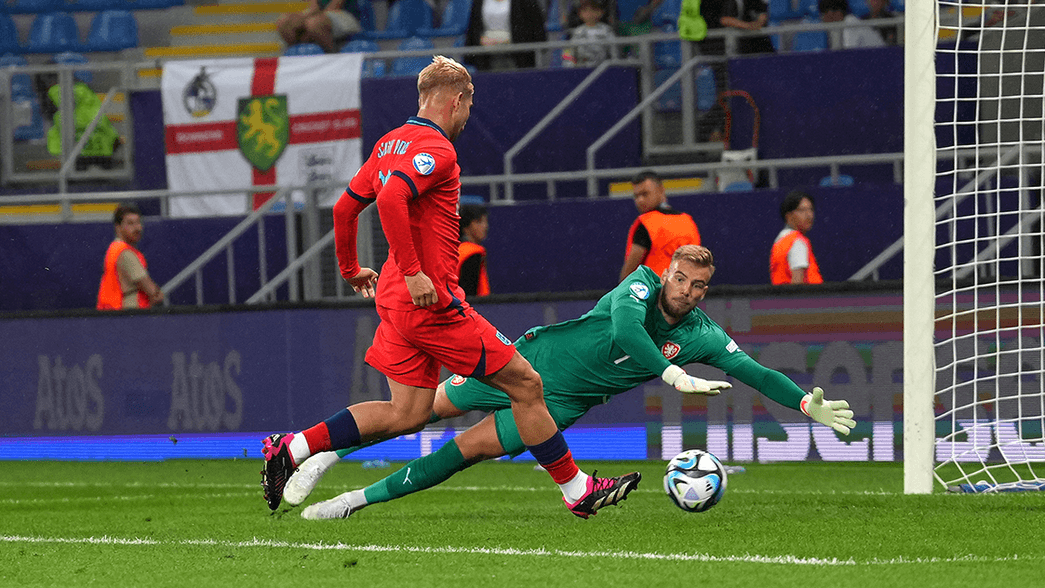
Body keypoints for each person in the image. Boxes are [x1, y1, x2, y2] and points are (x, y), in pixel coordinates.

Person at [261, 55, 638, 519]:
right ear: (457, 101)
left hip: (395, 299)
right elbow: (394, 199)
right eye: (469, 107)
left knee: (408, 413)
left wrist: (350, 269)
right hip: (428, 301)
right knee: (526, 383)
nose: (466, 118)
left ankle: (294, 446)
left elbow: (344, 210)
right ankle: (577, 489)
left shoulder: (388, 144)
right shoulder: (437, 150)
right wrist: (417, 270)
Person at [284, 245, 856, 520]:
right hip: (525, 364)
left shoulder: (704, 333)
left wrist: (805, 401)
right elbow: (631, 333)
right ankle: (325, 454)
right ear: (668, 273)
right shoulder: (638, 286)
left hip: (558, 404)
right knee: (419, 410)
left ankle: (351, 503)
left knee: (465, 451)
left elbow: (753, 371)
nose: (684, 289)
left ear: (706, 290)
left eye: (697, 285)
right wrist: (670, 372)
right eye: (680, 278)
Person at [619, 170, 701, 282]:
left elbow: (630, 268)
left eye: (645, 194)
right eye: (636, 196)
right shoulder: (687, 221)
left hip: (653, 292)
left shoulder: (647, 224)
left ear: (661, 190)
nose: (640, 200)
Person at [96, 203, 163, 310]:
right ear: (118, 227)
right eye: (130, 223)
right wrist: (157, 294)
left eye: (138, 222)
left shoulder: (113, 249)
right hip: (130, 313)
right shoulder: (126, 253)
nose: (137, 228)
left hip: (112, 313)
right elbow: (153, 292)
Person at [464, 0, 548, 70]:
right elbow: (474, 28)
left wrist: (510, 39)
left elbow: (535, 27)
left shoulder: (525, 2)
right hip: (487, 56)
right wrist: (479, 39)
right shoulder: (479, 2)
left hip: (519, 55)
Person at [770, 189, 823, 285]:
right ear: (789, 216)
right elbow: (798, 288)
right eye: (802, 210)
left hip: (781, 299)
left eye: (811, 209)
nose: (809, 215)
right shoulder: (797, 242)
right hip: (806, 299)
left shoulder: (780, 239)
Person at [276, 0, 362, 53]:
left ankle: (332, 56)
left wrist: (302, 19)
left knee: (314, 23)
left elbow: (333, 7)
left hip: (344, 16)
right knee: (284, 22)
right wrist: (297, 19)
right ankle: (296, 56)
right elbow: (314, 8)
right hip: (319, 16)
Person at [564, 0, 616, 67]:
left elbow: (614, 52)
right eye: (585, 11)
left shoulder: (607, 30)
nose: (589, 14)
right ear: (580, 14)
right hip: (581, 68)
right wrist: (570, 66)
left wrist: (613, 66)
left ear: (601, 12)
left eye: (594, 10)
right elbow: (569, 52)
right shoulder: (576, 32)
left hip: (603, 68)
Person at [457, 196, 491, 296]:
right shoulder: (472, 253)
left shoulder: (458, 249)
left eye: (485, 221)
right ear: (466, 226)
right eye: (479, 221)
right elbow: (470, 294)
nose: (485, 226)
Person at [818, 0, 884, 49]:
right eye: (824, 13)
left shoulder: (851, 23)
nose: (824, 17)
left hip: (879, 57)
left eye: (824, 14)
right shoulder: (833, 28)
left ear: (839, 13)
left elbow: (849, 53)